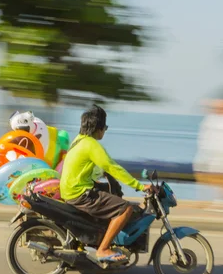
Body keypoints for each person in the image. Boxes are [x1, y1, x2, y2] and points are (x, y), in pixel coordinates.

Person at [60, 105, 154, 262]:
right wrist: (139, 186)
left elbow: (96, 167)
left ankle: (100, 240)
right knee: (125, 208)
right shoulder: (91, 145)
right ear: (99, 128)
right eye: (105, 127)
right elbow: (112, 166)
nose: (105, 131)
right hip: (79, 193)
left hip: (71, 190)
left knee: (109, 195)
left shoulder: (78, 141)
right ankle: (103, 249)